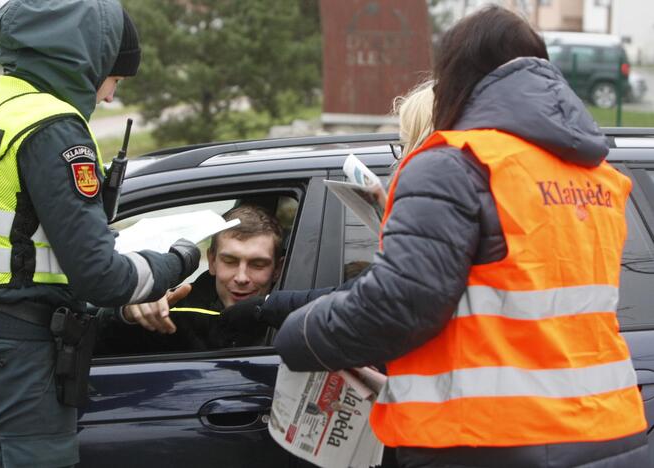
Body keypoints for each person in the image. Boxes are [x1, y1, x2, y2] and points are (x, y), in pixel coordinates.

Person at [274, 6, 648, 468]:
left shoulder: (455, 162)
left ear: (453, 77)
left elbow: (402, 303)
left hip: (490, 441)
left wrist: (300, 333)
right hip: (609, 430)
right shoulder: (596, 177)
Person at [0, 1, 199, 467]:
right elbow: (102, 279)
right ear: (89, 58)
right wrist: (179, 259)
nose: (109, 97)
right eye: (115, 80)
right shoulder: (54, 128)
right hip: (19, 355)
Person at [219, 83, 436, 332]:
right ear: (211, 261)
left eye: (403, 146)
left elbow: (368, 298)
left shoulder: (436, 219)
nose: (398, 161)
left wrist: (269, 312)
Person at [103, 204, 285, 353]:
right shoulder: (176, 311)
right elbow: (96, 345)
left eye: (258, 264)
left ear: (277, 269)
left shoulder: (295, 313)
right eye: (230, 261)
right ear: (212, 261)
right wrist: (128, 313)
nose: (241, 277)